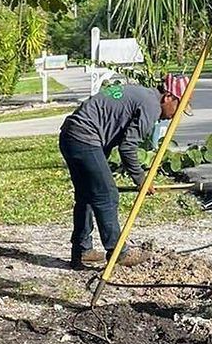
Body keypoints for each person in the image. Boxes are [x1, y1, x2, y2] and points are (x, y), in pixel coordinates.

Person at [59, 74, 189, 270]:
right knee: (107, 194)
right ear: (168, 97)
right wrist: (141, 180)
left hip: (71, 135)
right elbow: (128, 147)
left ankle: (82, 250)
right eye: (178, 107)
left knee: (86, 196)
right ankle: (117, 251)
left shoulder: (141, 94)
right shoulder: (151, 105)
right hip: (84, 137)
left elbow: (111, 126)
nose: (174, 116)